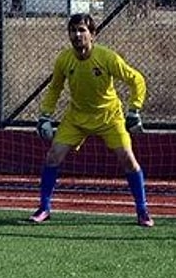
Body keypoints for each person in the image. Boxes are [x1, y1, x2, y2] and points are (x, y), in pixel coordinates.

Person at [30, 13, 153, 227]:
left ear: (92, 34)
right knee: (52, 157)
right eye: (73, 31)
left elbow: (137, 80)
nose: (77, 35)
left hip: (109, 117)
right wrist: (45, 115)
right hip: (76, 117)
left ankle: (142, 211)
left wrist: (134, 109)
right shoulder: (64, 59)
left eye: (82, 30)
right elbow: (55, 88)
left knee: (128, 159)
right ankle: (44, 208)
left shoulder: (107, 57)